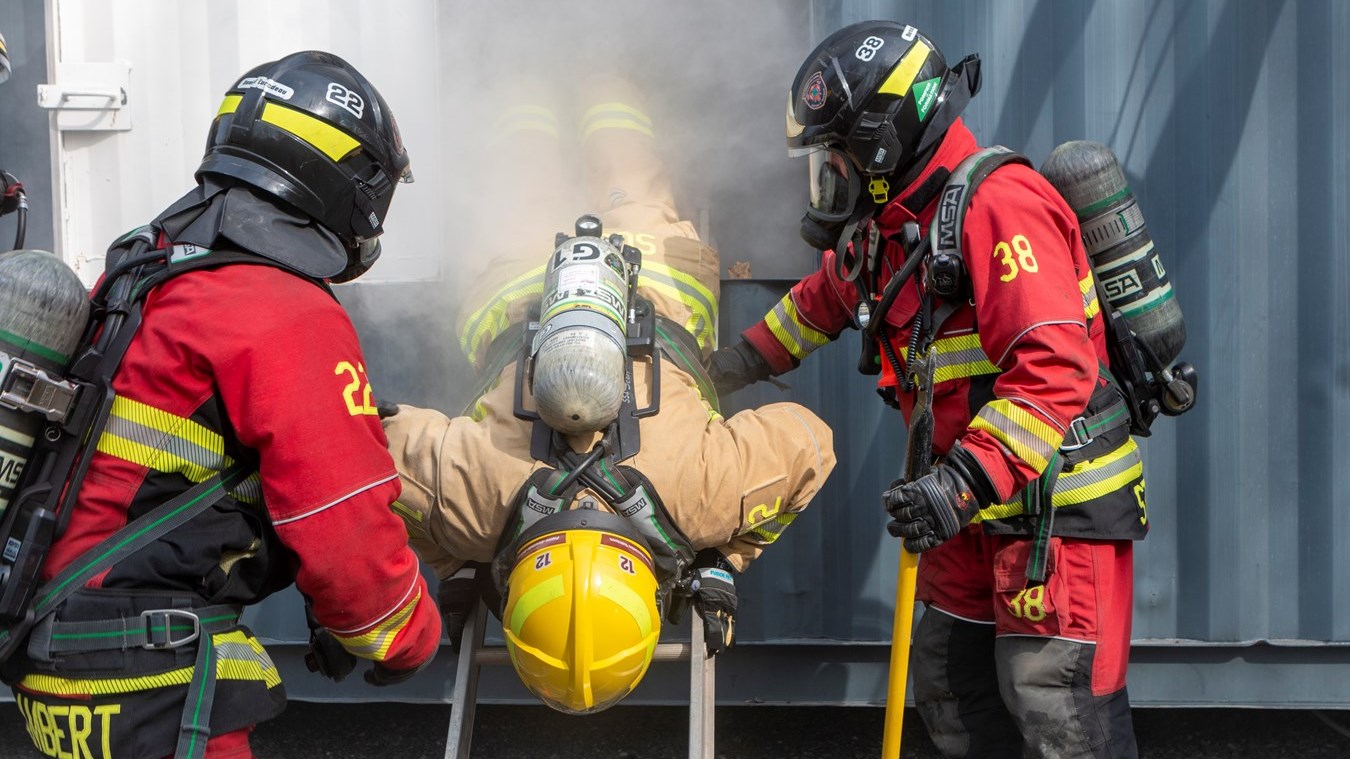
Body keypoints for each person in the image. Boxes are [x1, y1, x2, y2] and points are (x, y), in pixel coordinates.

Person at [709, 21, 1145, 758]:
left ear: (882, 142)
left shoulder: (1000, 207)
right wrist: (726, 367)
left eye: (835, 156)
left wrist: (960, 483)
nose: (828, 176)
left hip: (1052, 519)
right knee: (952, 692)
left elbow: (1054, 368)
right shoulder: (890, 228)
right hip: (961, 514)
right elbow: (820, 302)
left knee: (1057, 717)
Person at [3, 51, 441, 759]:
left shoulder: (145, 266)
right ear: (349, 182)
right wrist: (409, 635)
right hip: (148, 673)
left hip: (57, 650)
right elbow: (346, 535)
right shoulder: (283, 308)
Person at [381, 74, 836, 713]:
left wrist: (723, 553)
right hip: (517, 283)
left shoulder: (704, 497)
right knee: (524, 165)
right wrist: (456, 555)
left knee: (630, 177)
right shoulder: (473, 500)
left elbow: (809, 443)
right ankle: (578, 73)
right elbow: (371, 457)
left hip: (658, 275)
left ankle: (593, 77)